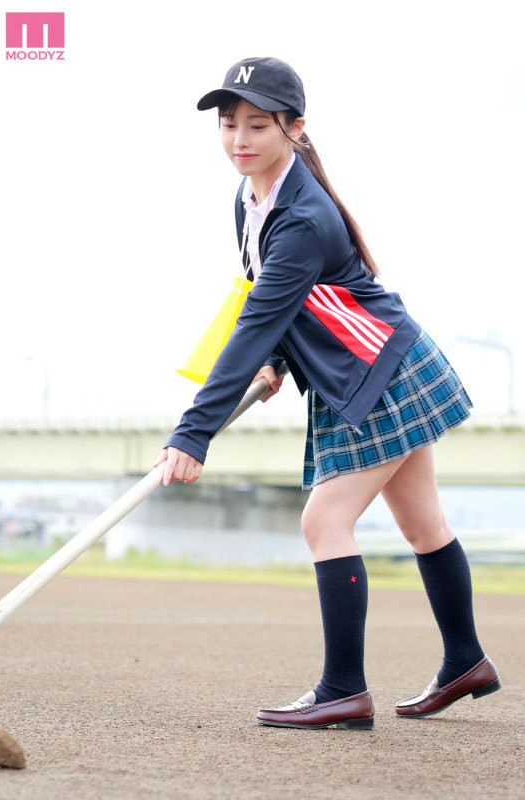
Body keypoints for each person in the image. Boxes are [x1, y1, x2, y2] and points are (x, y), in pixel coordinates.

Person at [152, 57, 501, 730]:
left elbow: (256, 322)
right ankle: (466, 661)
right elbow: (268, 301)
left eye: (258, 125)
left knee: (324, 522)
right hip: (372, 365)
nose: (239, 139)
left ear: (295, 127)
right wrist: (276, 361)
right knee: (423, 524)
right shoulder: (250, 197)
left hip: (377, 373)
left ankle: (344, 689)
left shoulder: (304, 217)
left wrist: (192, 433)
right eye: (228, 124)